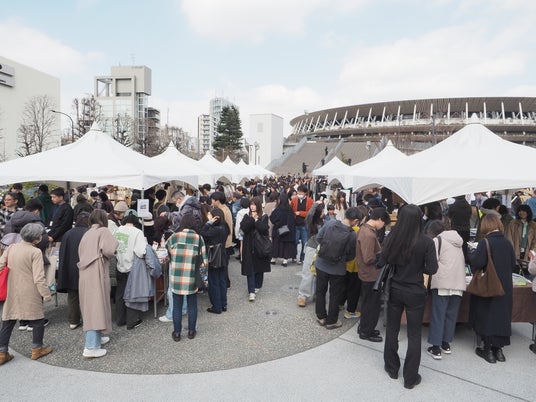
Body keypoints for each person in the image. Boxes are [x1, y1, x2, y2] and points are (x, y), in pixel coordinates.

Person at [380, 204, 438, 389]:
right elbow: (432, 269)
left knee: (392, 329)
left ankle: (392, 368)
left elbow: (383, 260)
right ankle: (410, 377)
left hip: (395, 288)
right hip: (415, 290)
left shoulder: (392, 237)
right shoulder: (426, 242)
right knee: (414, 335)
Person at [0, 223, 53, 365]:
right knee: (37, 319)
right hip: (30, 290)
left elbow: (0, 265)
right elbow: (39, 278)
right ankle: (37, 349)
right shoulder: (35, 252)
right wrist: (46, 294)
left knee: (8, 320)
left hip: (12, 289)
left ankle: (1, 352)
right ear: (36, 238)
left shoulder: (11, 248)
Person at [469, 214, 515, 364]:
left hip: (489, 285)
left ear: (485, 225)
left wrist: (473, 252)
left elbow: (477, 262)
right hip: (505, 286)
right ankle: (499, 351)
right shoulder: (507, 242)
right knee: (501, 316)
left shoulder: (485, 242)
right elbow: (513, 263)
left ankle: (488, 350)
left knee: (486, 314)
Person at [78, 209, 118, 358]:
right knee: (96, 306)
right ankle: (91, 346)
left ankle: (97, 337)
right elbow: (110, 250)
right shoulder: (104, 231)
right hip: (97, 272)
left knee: (90, 306)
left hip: (85, 273)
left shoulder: (87, 233)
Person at [424, 220, 466, 360]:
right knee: (451, 315)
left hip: (443, 281)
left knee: (438, 314)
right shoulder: (458, 241)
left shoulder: (438, 240)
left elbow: (431, 261)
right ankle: (446, 344)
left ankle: (436, 348)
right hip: (458, 282)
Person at [314, 207, 360, 329]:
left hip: (321, 264)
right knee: (335, 294)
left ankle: (321, 317)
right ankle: (332, 321)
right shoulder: (352, 235)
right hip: (338, 269)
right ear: (355, 220)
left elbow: (318, 238)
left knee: (320, 291)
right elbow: (351, 256)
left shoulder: (330, 223)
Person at [166, 214, 207, 341]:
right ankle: (191, 331)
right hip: (192, 277)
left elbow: (168, 249)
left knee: (177, 306)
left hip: (177, 277)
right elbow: (204, 261)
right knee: (192, 305)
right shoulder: (198, 238)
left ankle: (177, 333)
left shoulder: (174, 236)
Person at [356, 207, 388, 342]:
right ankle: (366, 331)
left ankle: (364, 327)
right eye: (384, 223)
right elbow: (368, 258)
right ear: (380, 219)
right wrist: (382, 256)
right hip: (370, 274)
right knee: (371, 305)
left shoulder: (364, 228)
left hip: (367, 273)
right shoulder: (369, 234)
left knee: (367, 303)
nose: (383, 226)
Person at [114, 213, 147, 330]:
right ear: (136, 223)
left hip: (119, 265)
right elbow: (141, 252)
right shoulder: (137, 232)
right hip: (132, 267)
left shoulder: (118, 230)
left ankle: (120, 319)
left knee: (120, 293)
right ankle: (132, 321)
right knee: (132, 295)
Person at [57, 212, 90, 330]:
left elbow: (63, 253)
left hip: (70, 269)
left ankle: (73, 321)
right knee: (87, 296)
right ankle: (88, 320)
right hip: (85, 268)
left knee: (72, 296)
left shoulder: (68, 233)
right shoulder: (88, 233)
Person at [240, 197, 271, 301]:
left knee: (259, 269)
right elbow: (244, 228)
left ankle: (257, 285)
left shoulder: (264, 216)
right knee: (250, 269)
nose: (252, 207)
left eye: (254, 204)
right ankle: (251, 291)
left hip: (260, 246)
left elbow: (264, 229)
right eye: (251, 204)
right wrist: (251, 219)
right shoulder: (246, 216)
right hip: (249, 246)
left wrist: (257, 220)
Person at [200, 208, 229, 314]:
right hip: (222, 255)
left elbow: (202, 233)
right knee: (221, 280)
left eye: (210, 215)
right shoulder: (225, 227)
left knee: (213, 281)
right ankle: (223, 304)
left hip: (214, 256)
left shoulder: (215, 229)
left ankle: (216, 306)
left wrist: (209, 223)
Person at [297, 202, 324, 307]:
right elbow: (309, 215)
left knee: (320, 273)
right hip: (312, 248)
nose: (324, 213)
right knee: (308, 273)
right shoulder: (310, 222)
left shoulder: (324, 222)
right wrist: (316, 204)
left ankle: (317, 294)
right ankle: (302, 296)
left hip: (322, 249)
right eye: (322, 211)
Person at [504, 204, 536, 275]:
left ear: (528, 212)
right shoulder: (512, 223)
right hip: (515, 251)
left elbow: (535, 241)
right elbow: (508, 237)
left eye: (524, 211)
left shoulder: (533, 225)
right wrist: (511, 251)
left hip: (528, 253)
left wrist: (532, 250)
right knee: (515, 273)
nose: (522, 213)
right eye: (520, 211)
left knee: (526, 273)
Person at [270, 193, 296, 267]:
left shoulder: (278, 209)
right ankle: (285, 260)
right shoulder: (290, 209)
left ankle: (274, 259)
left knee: (276, 245)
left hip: (278, 230)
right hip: (287, 230)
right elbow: (292, 221)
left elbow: (272, 218)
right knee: (286, 246)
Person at [291, 184, 314, 264]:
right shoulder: (294, 200)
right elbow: (291, 210)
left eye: (301, 192)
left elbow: (310, 213)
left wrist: (300, 213)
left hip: (304, 224)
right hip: (295, 224)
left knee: (304, 242)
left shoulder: (310, 201)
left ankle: (302, 257)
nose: (299, 194)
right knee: (295, 241)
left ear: (305, 193)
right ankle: (294, 256)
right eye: (298, 192)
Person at [447, 195, 472, 262]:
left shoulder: (452, 206)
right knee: (464, 247)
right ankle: (465, 262)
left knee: (455, 248)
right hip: (466, 229)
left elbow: (449, 216)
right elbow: (469, 216)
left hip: (456, 229)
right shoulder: (468, 206)